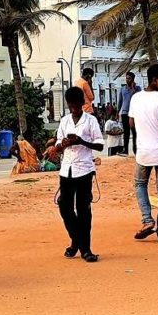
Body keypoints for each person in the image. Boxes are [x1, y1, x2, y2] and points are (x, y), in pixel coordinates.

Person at [48, 86, 104, 262]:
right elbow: (57, 145)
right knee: (64, 207)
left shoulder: (90, 120)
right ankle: (76, 241)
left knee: (83, 210)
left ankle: (85, 249)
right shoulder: (64, 121)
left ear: (82, 104)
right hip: (67, 169)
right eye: (71, 106)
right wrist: (63, 144)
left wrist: (81, 141)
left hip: (84, 169)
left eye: (76, 106)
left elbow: (100, 145)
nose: (74, 109)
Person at [129, 63, 158, 242]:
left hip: (143, 151)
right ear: (154, 80)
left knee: (140, 184)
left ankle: (147, 219)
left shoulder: (136, 98)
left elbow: (131, 123)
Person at [118, 72, 141, 154]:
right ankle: (125, 149)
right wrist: (118, 112)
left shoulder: (137, 88)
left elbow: (139, 98)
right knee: (126, 132)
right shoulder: (123, 89)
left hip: (134, 113)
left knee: (135, 132)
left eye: (129, 78)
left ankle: (135, 149)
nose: (127, 80)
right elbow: (120, 101)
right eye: (126, 78)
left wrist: (133, 88)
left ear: (133, 79)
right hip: (125, 112)